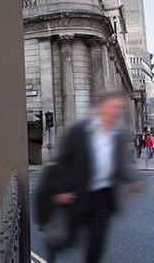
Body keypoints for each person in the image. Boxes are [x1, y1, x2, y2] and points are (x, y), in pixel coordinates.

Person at [34, 91, 143, 263]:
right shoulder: (79, 131)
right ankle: (54, 245)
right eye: (112, 108)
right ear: (100, 109)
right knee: (71, 238)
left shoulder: (118, 134)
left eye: (118, 108)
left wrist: (132, 182)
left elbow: (119, 165)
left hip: (104, 197)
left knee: (97, 242)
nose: (116, 112)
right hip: (79, 194)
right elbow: (63, 161)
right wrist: (61, 190)